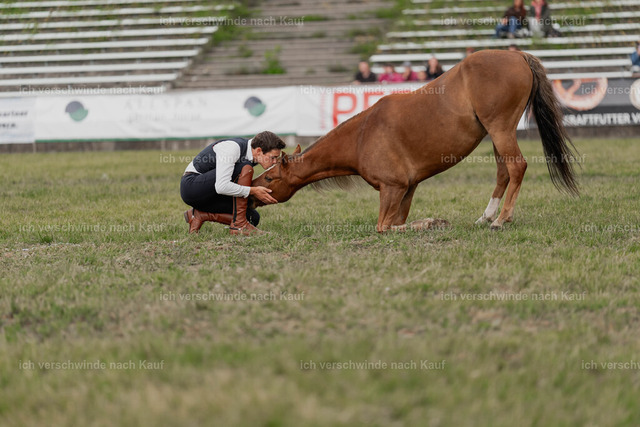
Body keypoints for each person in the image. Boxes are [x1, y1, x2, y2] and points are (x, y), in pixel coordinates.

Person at [180, 131, 285, 235]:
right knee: (244, 167)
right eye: (273, 157)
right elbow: (221, 186)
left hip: (212, 192)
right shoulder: (232, 148)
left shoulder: (252, 155)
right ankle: (239, 225)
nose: (275, 162)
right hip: (191, 188)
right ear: (258, 151)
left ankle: (199, 214)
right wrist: (253, 191)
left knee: (252, 218)